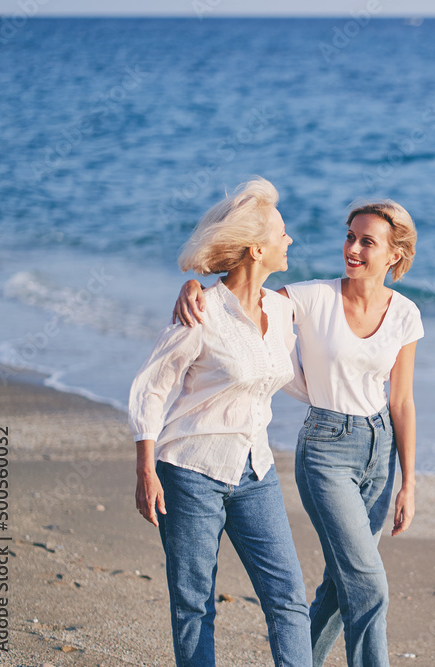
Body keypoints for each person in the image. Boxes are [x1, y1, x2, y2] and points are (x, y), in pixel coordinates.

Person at [175, 200, 422, 667]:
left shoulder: (405, 314)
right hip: (326, 450)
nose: (352, 247)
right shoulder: (310, 298)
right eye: (350, 236)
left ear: (393, 254)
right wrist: (196, 285)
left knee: (342, 579)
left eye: (367, 241)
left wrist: (409, 481)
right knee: (369, 584)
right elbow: (240, 293)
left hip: (380, 450)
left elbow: (402, 401)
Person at [130, 177, 312, 667]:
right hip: (189, 470)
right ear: (256, 249)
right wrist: (145, 469)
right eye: (281, 233)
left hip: (256, 471)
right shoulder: (201, 311)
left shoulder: (283, 307)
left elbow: (342, 309)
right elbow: (151, 386)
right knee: (194, 605)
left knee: (289, 599)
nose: (289, 240)